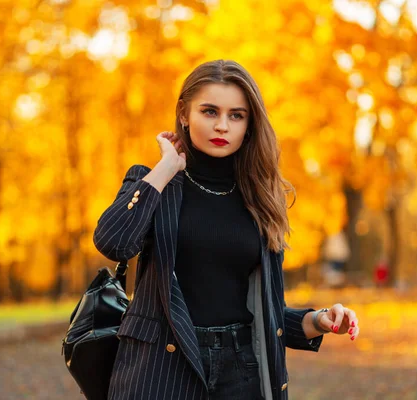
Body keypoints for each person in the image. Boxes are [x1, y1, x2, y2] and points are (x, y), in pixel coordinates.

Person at [93, 60, 360, 400]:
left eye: (236, 115)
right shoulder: (152, 183)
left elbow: (267, 313)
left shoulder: (261, 197)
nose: (222, 126)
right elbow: (113, 242)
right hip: (161, 368)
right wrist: (164, 169)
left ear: (249, 125)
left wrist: (320, 320)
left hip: (240, 370)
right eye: (209, 112)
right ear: (184, 113)